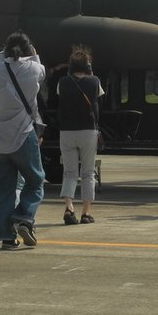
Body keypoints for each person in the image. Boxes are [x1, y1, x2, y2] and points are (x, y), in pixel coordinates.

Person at [0, 31, 47, 249]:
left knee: (1, 188)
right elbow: (40, 68)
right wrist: (33, 52)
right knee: (35, 180)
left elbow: (0, 56)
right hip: (23, 135)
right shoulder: (34, 69)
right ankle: (24, 217)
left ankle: (7, 238)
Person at [56, 47, 103, 225]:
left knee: (69, 172)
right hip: (88, 130)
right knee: (87, 173)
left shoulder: (63, 82)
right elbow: (98, 100)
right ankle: (86, 212)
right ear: (88, 65)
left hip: (67, 131)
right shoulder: (94, 81)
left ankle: (69, 207)